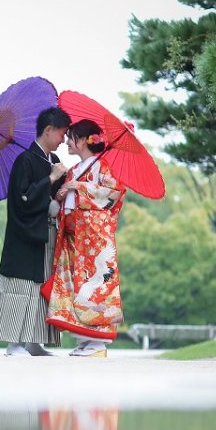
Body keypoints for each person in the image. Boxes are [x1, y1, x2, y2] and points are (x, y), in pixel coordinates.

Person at [0, 107, 70, 356]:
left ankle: (35, 342)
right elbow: (22, 199)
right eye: (62, 133)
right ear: (48, 130)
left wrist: (59, 191)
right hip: (25, 235)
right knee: (20, 286)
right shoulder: (24, 160)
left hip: (47, 233)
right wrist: (50, 179)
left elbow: (53, 196)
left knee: (42, 286)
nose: (64, 139)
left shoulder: (53, 161)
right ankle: (14, 343)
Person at [46, 119, 127, 357]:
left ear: (82, 140)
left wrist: (79, 187)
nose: (67, 142)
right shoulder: (74, 170)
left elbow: (113, 194)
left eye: (71, 138)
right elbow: (67, 200)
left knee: (96, 285)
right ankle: (84, 338)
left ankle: (98, 342)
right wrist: (62, 194)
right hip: (74, 238)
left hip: (94, 239)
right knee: (76, 286)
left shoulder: (102, 166)